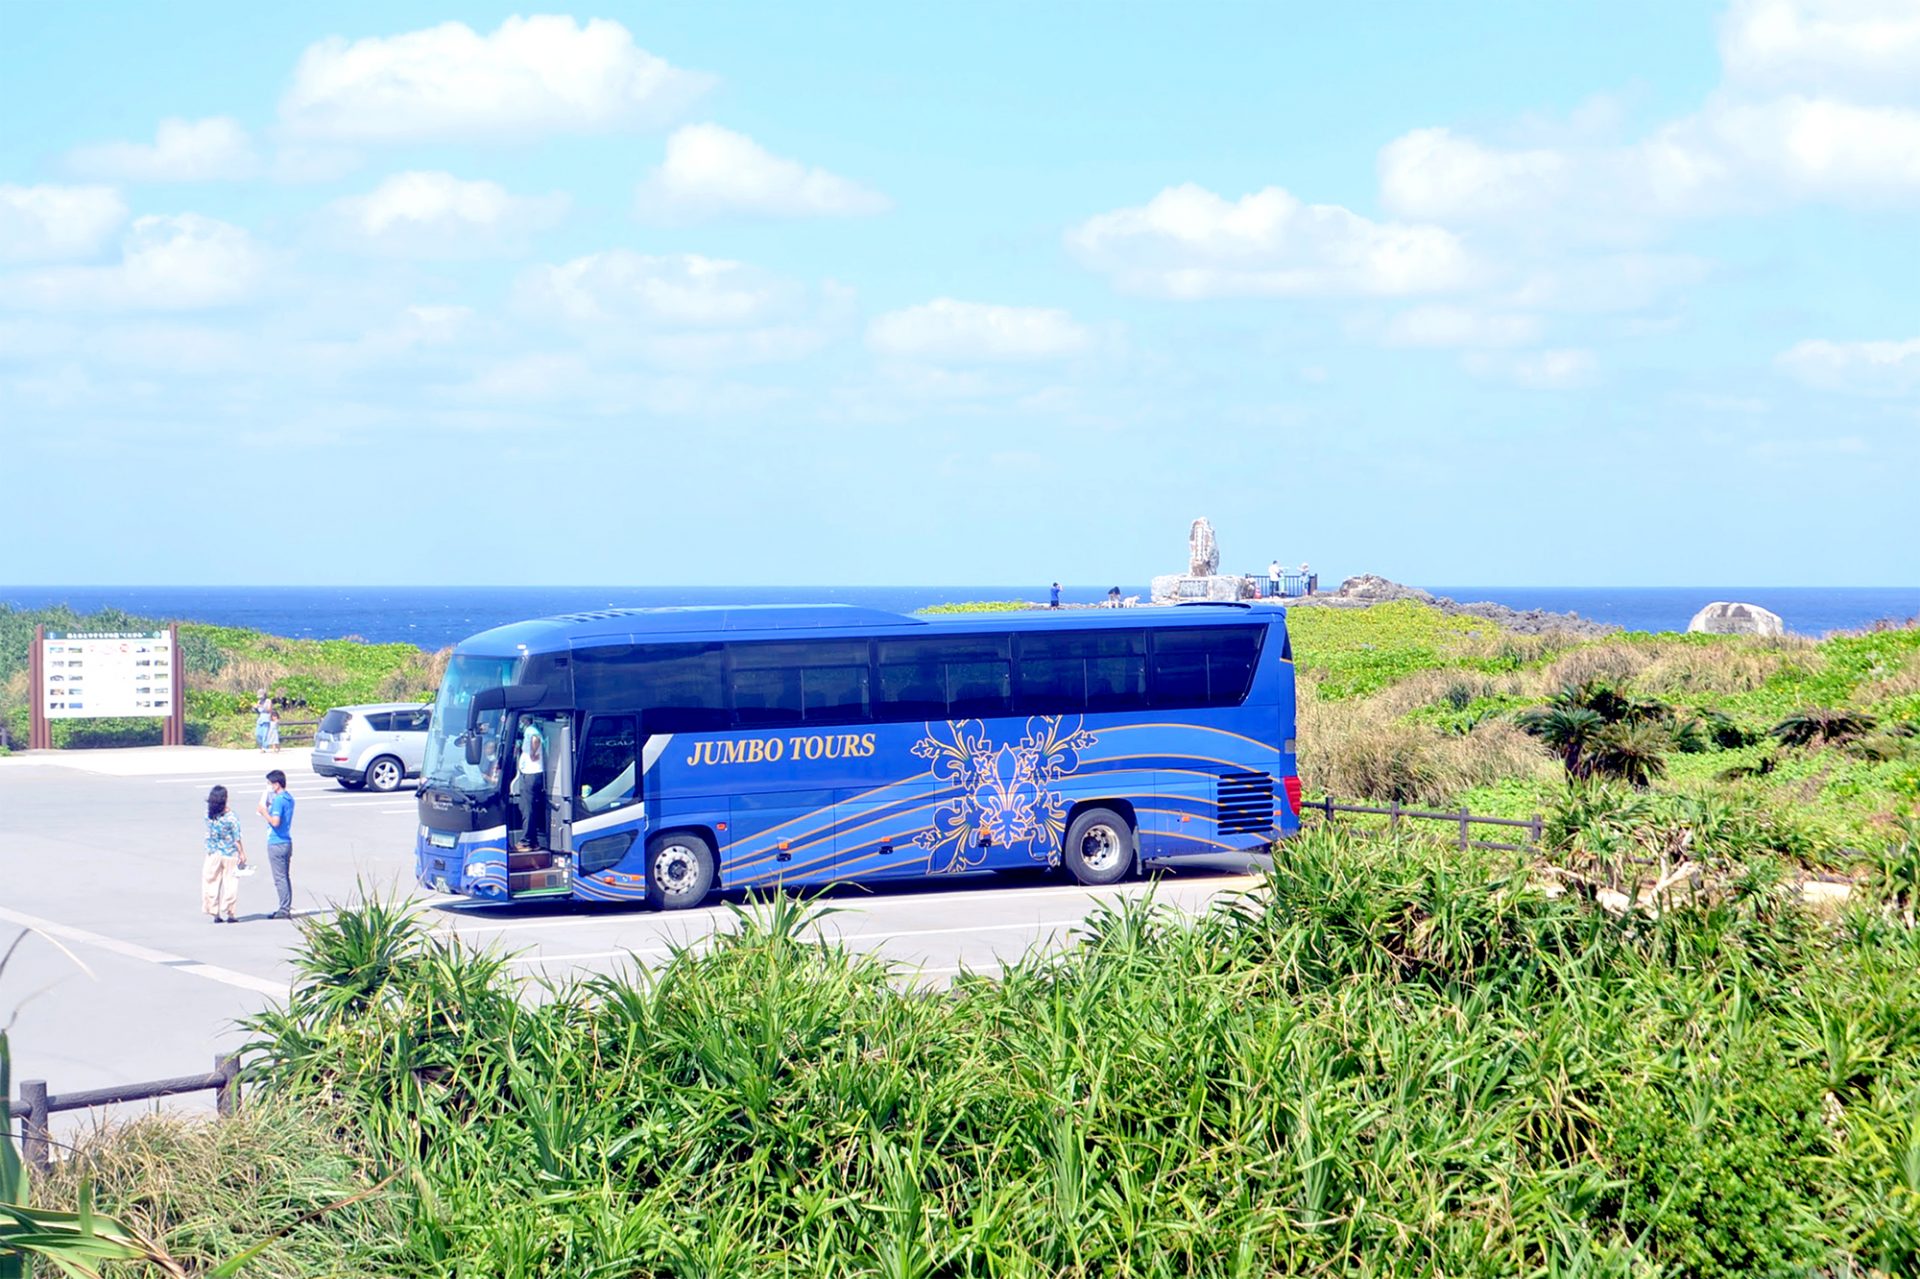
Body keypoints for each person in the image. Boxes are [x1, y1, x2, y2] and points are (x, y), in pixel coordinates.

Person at [202, 784, 245, 924]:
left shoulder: (208, 816)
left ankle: (214, 912)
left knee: (211, 882)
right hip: (229, 853)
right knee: (231, 883)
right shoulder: (231, 817)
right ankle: (230, 912)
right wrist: (242, 853)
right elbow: (236, 837)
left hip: (213, 853)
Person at [257, 770, 295, 919]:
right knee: (285, 876)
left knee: (279, 878)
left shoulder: (279, 800)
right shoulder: (289, 798)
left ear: (277, 784)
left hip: (276, 842)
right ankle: (285, 906)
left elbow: (275, 822)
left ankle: (284, 909)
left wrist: (264, 811)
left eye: (270, 783)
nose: (269, 786)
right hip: (286, 841)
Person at [514, 723, 546, 849]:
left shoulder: (531, 730)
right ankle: (533, 840)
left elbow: (535, 738)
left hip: (531, 773)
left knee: (528, 807)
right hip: (527, 772)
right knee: (525, 806)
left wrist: (532, 752)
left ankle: (526, 840)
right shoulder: (529, 730)